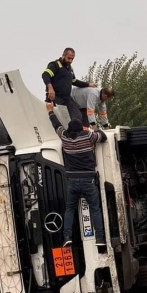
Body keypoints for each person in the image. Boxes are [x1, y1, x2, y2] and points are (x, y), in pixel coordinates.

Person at [46, 102, 108, 246]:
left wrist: (50, 111)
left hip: (72, 182)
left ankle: (67, 237)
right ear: (81, 128)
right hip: (88, 181)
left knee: (70, 209)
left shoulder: (65, 137)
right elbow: (103, 137)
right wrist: (90, 129)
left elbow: (56, 124)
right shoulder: (88, 136)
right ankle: (99, 239)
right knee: (95, 210)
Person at [42, 47, 98, 122]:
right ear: (63, 55)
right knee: (58, 117)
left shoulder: (70, 69)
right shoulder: (55, 65)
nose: (70, 61)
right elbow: (45, 75)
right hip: (56, 97)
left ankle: (77, 132)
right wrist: (50, 88)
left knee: (77, 116)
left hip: (67, 98)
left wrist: (88, 84)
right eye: (69, 58)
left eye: (72, 59)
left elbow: (75, 81)